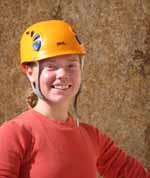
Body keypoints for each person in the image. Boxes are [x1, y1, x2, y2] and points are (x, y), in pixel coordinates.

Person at [0, 19, 149, 178]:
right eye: (51, 66)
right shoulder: (14, 134)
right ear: (29, 72)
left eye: (71, 65)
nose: (63, 74)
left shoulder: (92, 137)